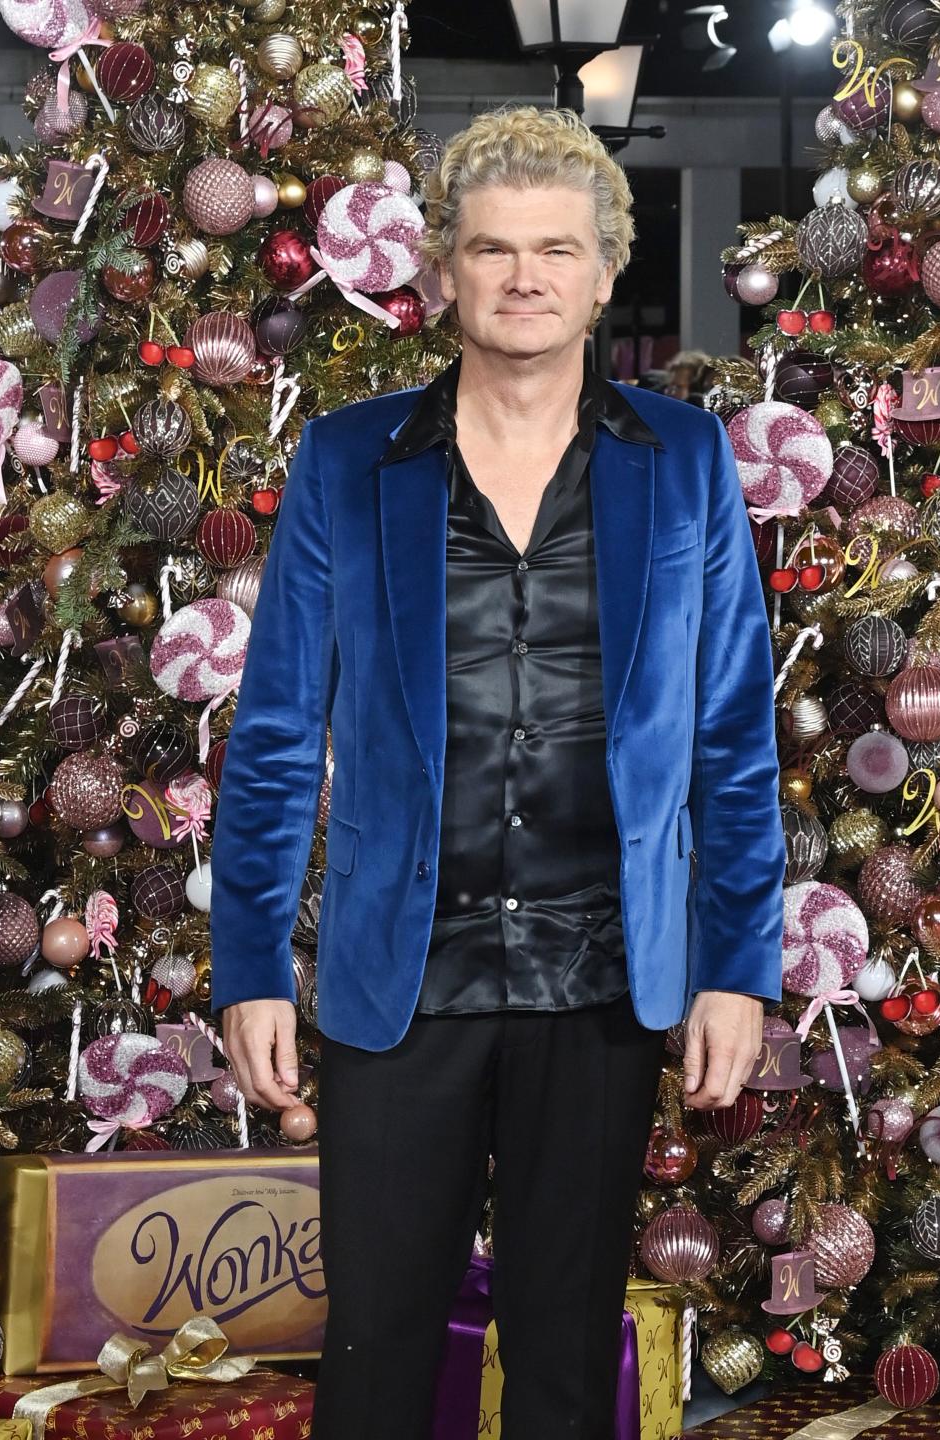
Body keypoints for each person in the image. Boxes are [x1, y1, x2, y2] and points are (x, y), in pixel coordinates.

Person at [209, 104, 785, 1440]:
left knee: (569, 1362)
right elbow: (280, 733)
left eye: (553, 249)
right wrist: (248, 967)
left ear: (599, 271)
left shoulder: (686, 461)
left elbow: (731, 745)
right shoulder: (349, 461)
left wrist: (734, 964)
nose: (523, 274)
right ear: (443, 272)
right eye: (491, 248)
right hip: (395, 981)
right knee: (373, 1349)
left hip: (604, 978)